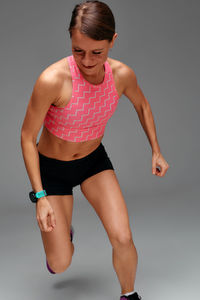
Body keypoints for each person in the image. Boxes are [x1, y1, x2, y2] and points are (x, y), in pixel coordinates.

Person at [20, 1, 169, 299]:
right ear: (71, 40)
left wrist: (156, 150)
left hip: (92, 163)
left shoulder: (122, 75)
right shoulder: (53, 79)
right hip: (52, 171)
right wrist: (39, 196)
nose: (87, 61)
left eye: (97, 52)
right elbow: (26, 136)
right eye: (78, 50)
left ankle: (129, 294)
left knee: (123, 237)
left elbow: (142, 104)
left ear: (113, 41)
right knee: (60, 263)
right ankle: (65, 235)